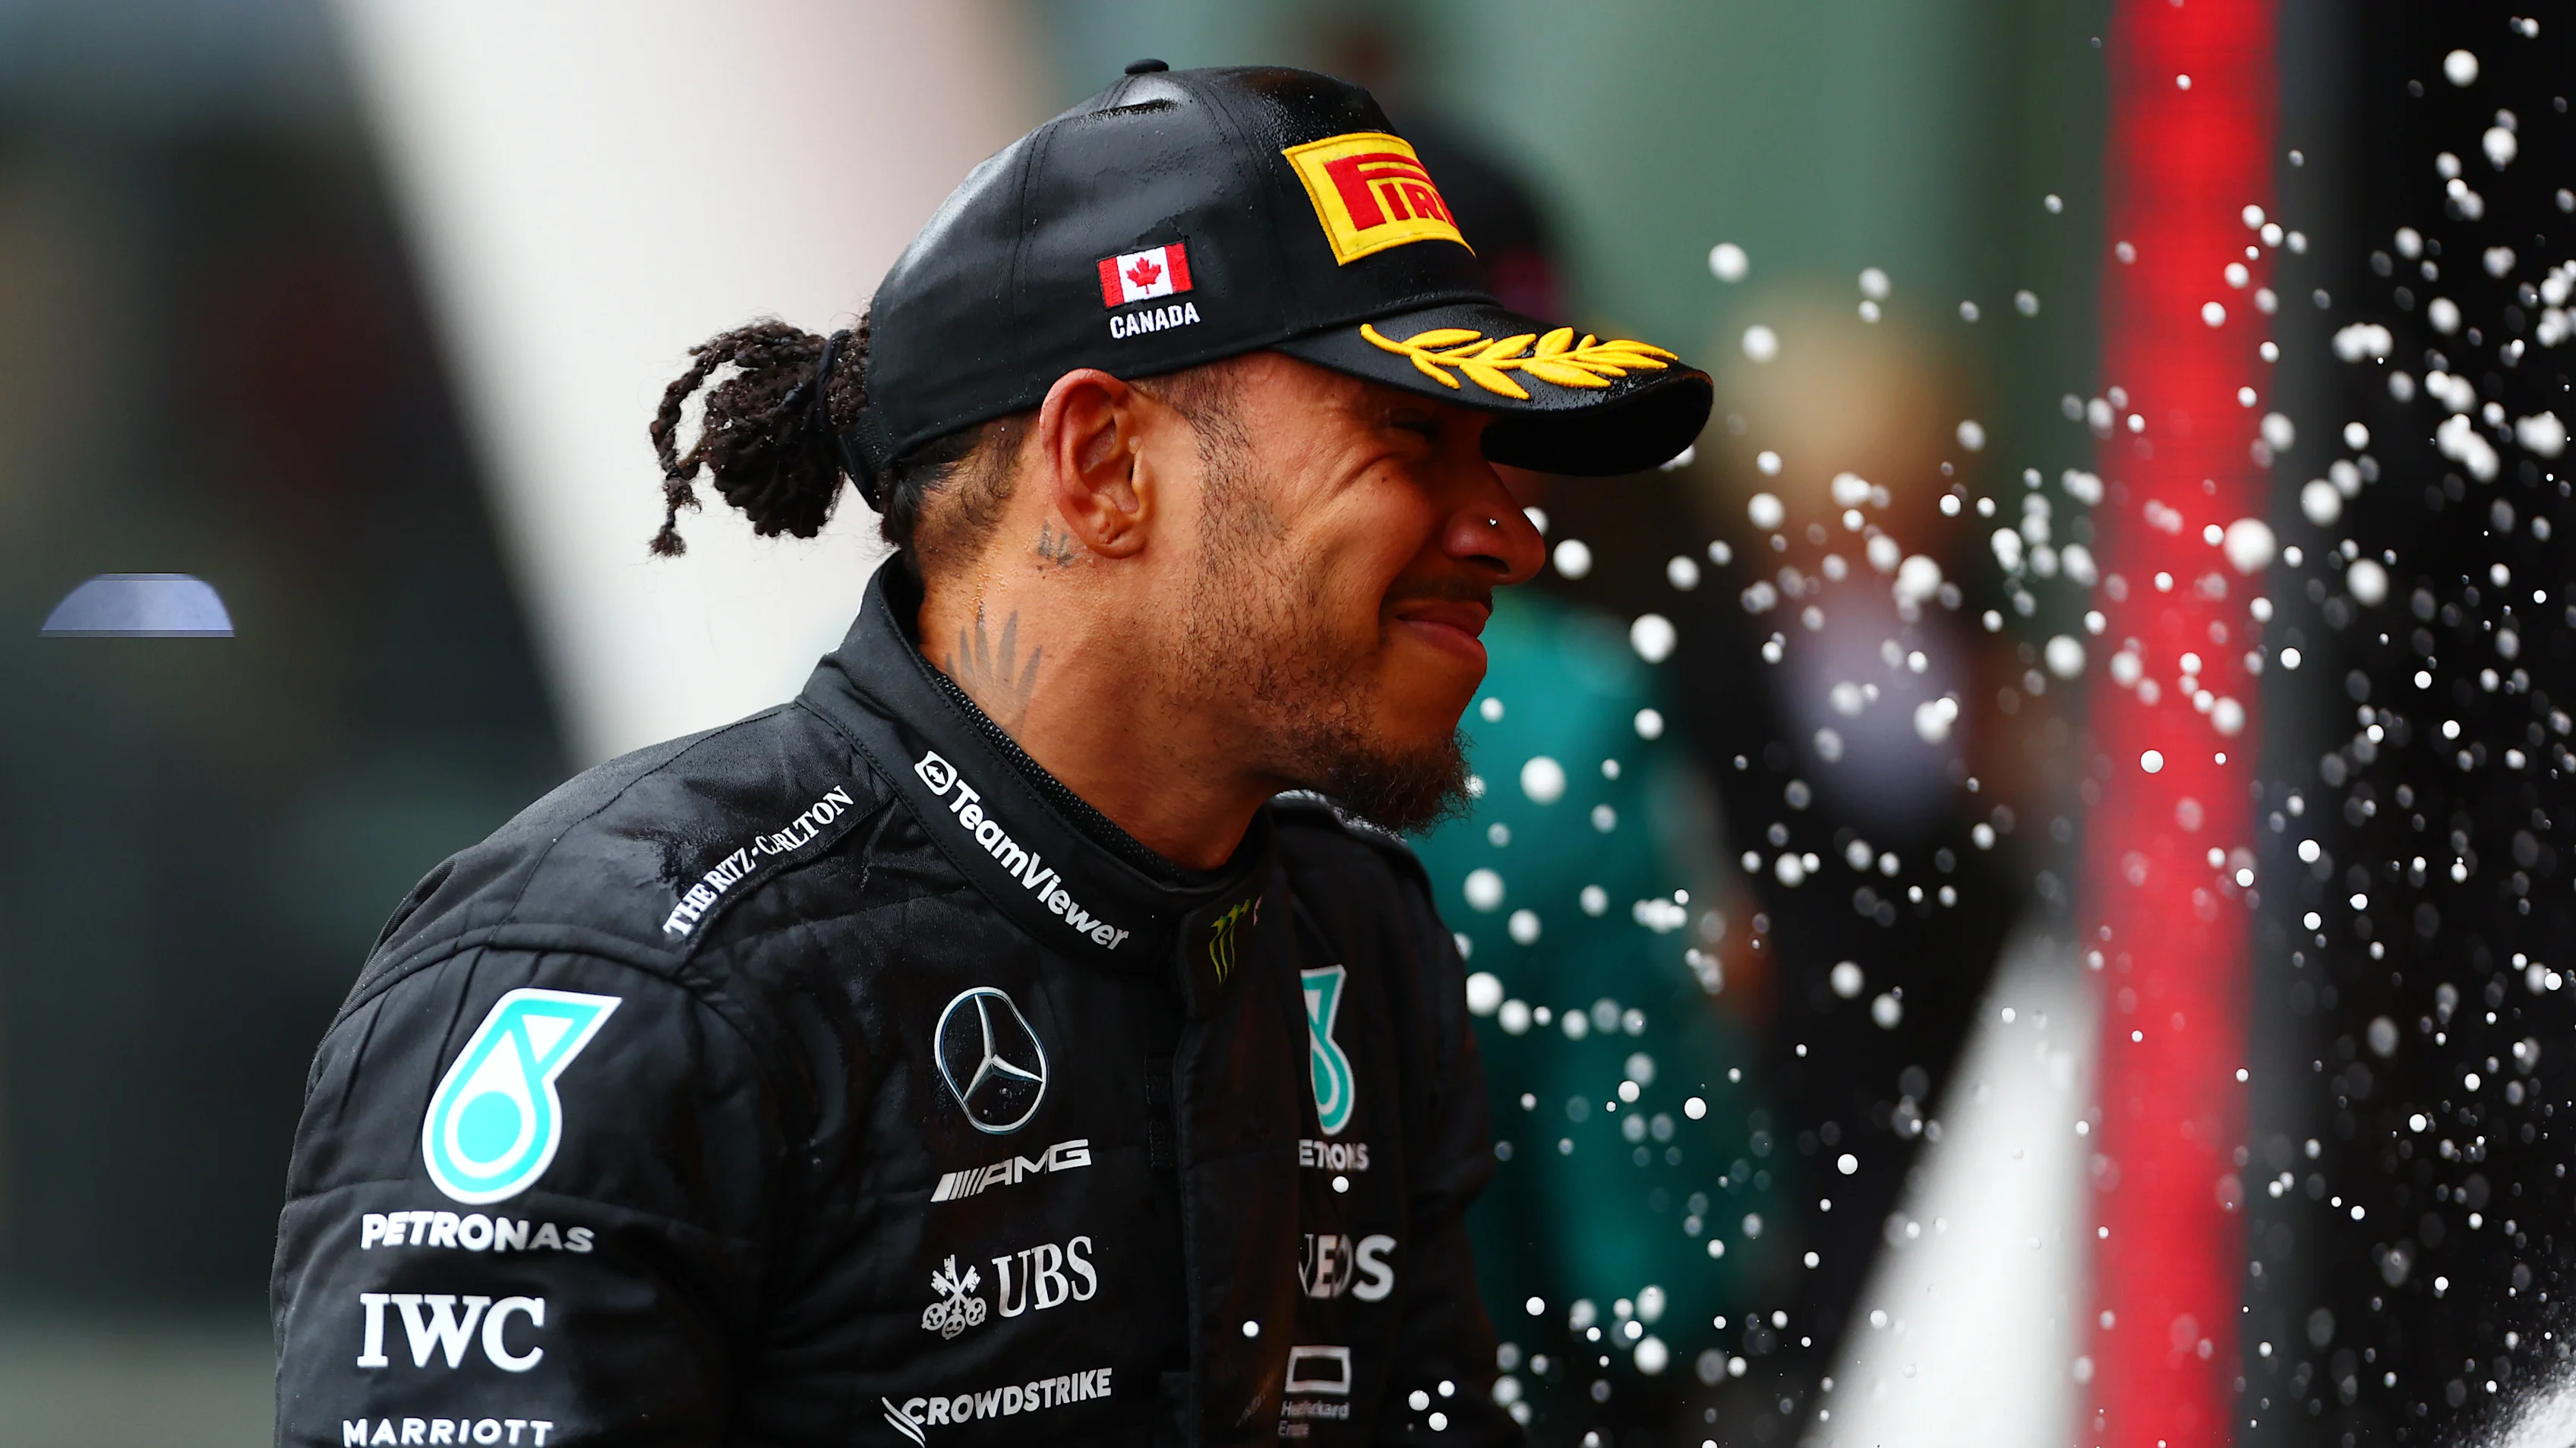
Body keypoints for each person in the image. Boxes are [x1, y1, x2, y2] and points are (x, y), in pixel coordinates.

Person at [269, 62, 1707, 1448]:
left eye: (1495, 454)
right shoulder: (625, 980)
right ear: (1101, 463)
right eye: (1410, 440)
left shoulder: (1350, 937)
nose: (1510, 533)